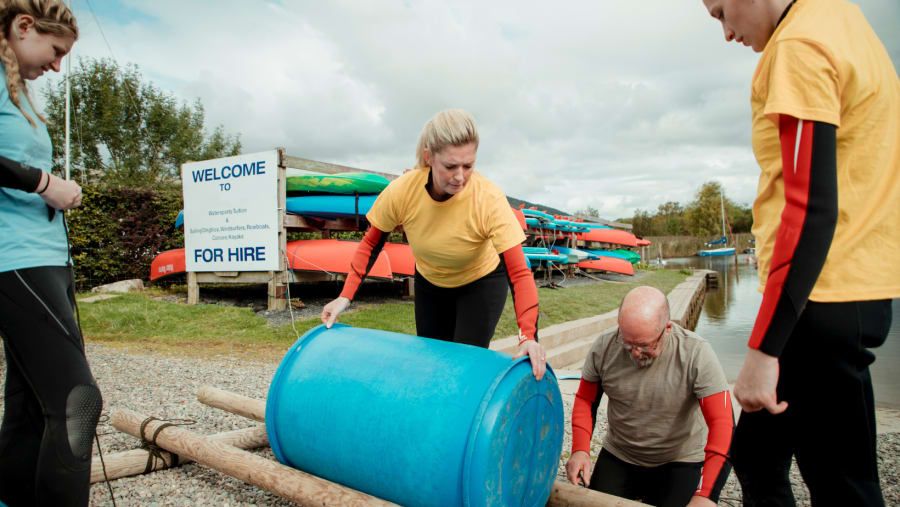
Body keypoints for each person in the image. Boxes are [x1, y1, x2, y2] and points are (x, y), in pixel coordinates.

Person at [700, 0, 900, 504]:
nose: (726, 33)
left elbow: (808, 207)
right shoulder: (840, 17)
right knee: (757, 458)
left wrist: (764, 350)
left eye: (722, 11)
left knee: (843, 487)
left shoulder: (798, 45)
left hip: (819, 299)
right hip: (844, 289)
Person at [321, 109, 547, 379]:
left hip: (481, 282)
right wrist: (344, 297)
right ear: (429, 157)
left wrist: (527, 336)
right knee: (431, 364)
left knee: (463, 368)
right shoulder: (403, 191)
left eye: (468, 166)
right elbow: (371, 245)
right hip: (431, 282)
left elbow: (519, 272)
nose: (460, 176)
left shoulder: (488, 198)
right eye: (450, 166)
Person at [0, 1, 102, 506]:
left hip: (46, 259)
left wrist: (58, 187)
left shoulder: (20, 92)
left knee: (27, 404)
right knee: (77, 402)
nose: (57, 65)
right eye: (55, 50)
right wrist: (45, 182)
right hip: (13, 259)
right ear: (23, 27)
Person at [565, 286, 734, 507]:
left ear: (668, 329)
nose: (635, 353)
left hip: (680, 458)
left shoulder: (696, 353)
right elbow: (586, 400)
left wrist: (706, 494)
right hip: (621, 453)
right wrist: (580, 450)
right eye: (627, 343)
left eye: (645, 345)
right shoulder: (604, 347)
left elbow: (723, 424)